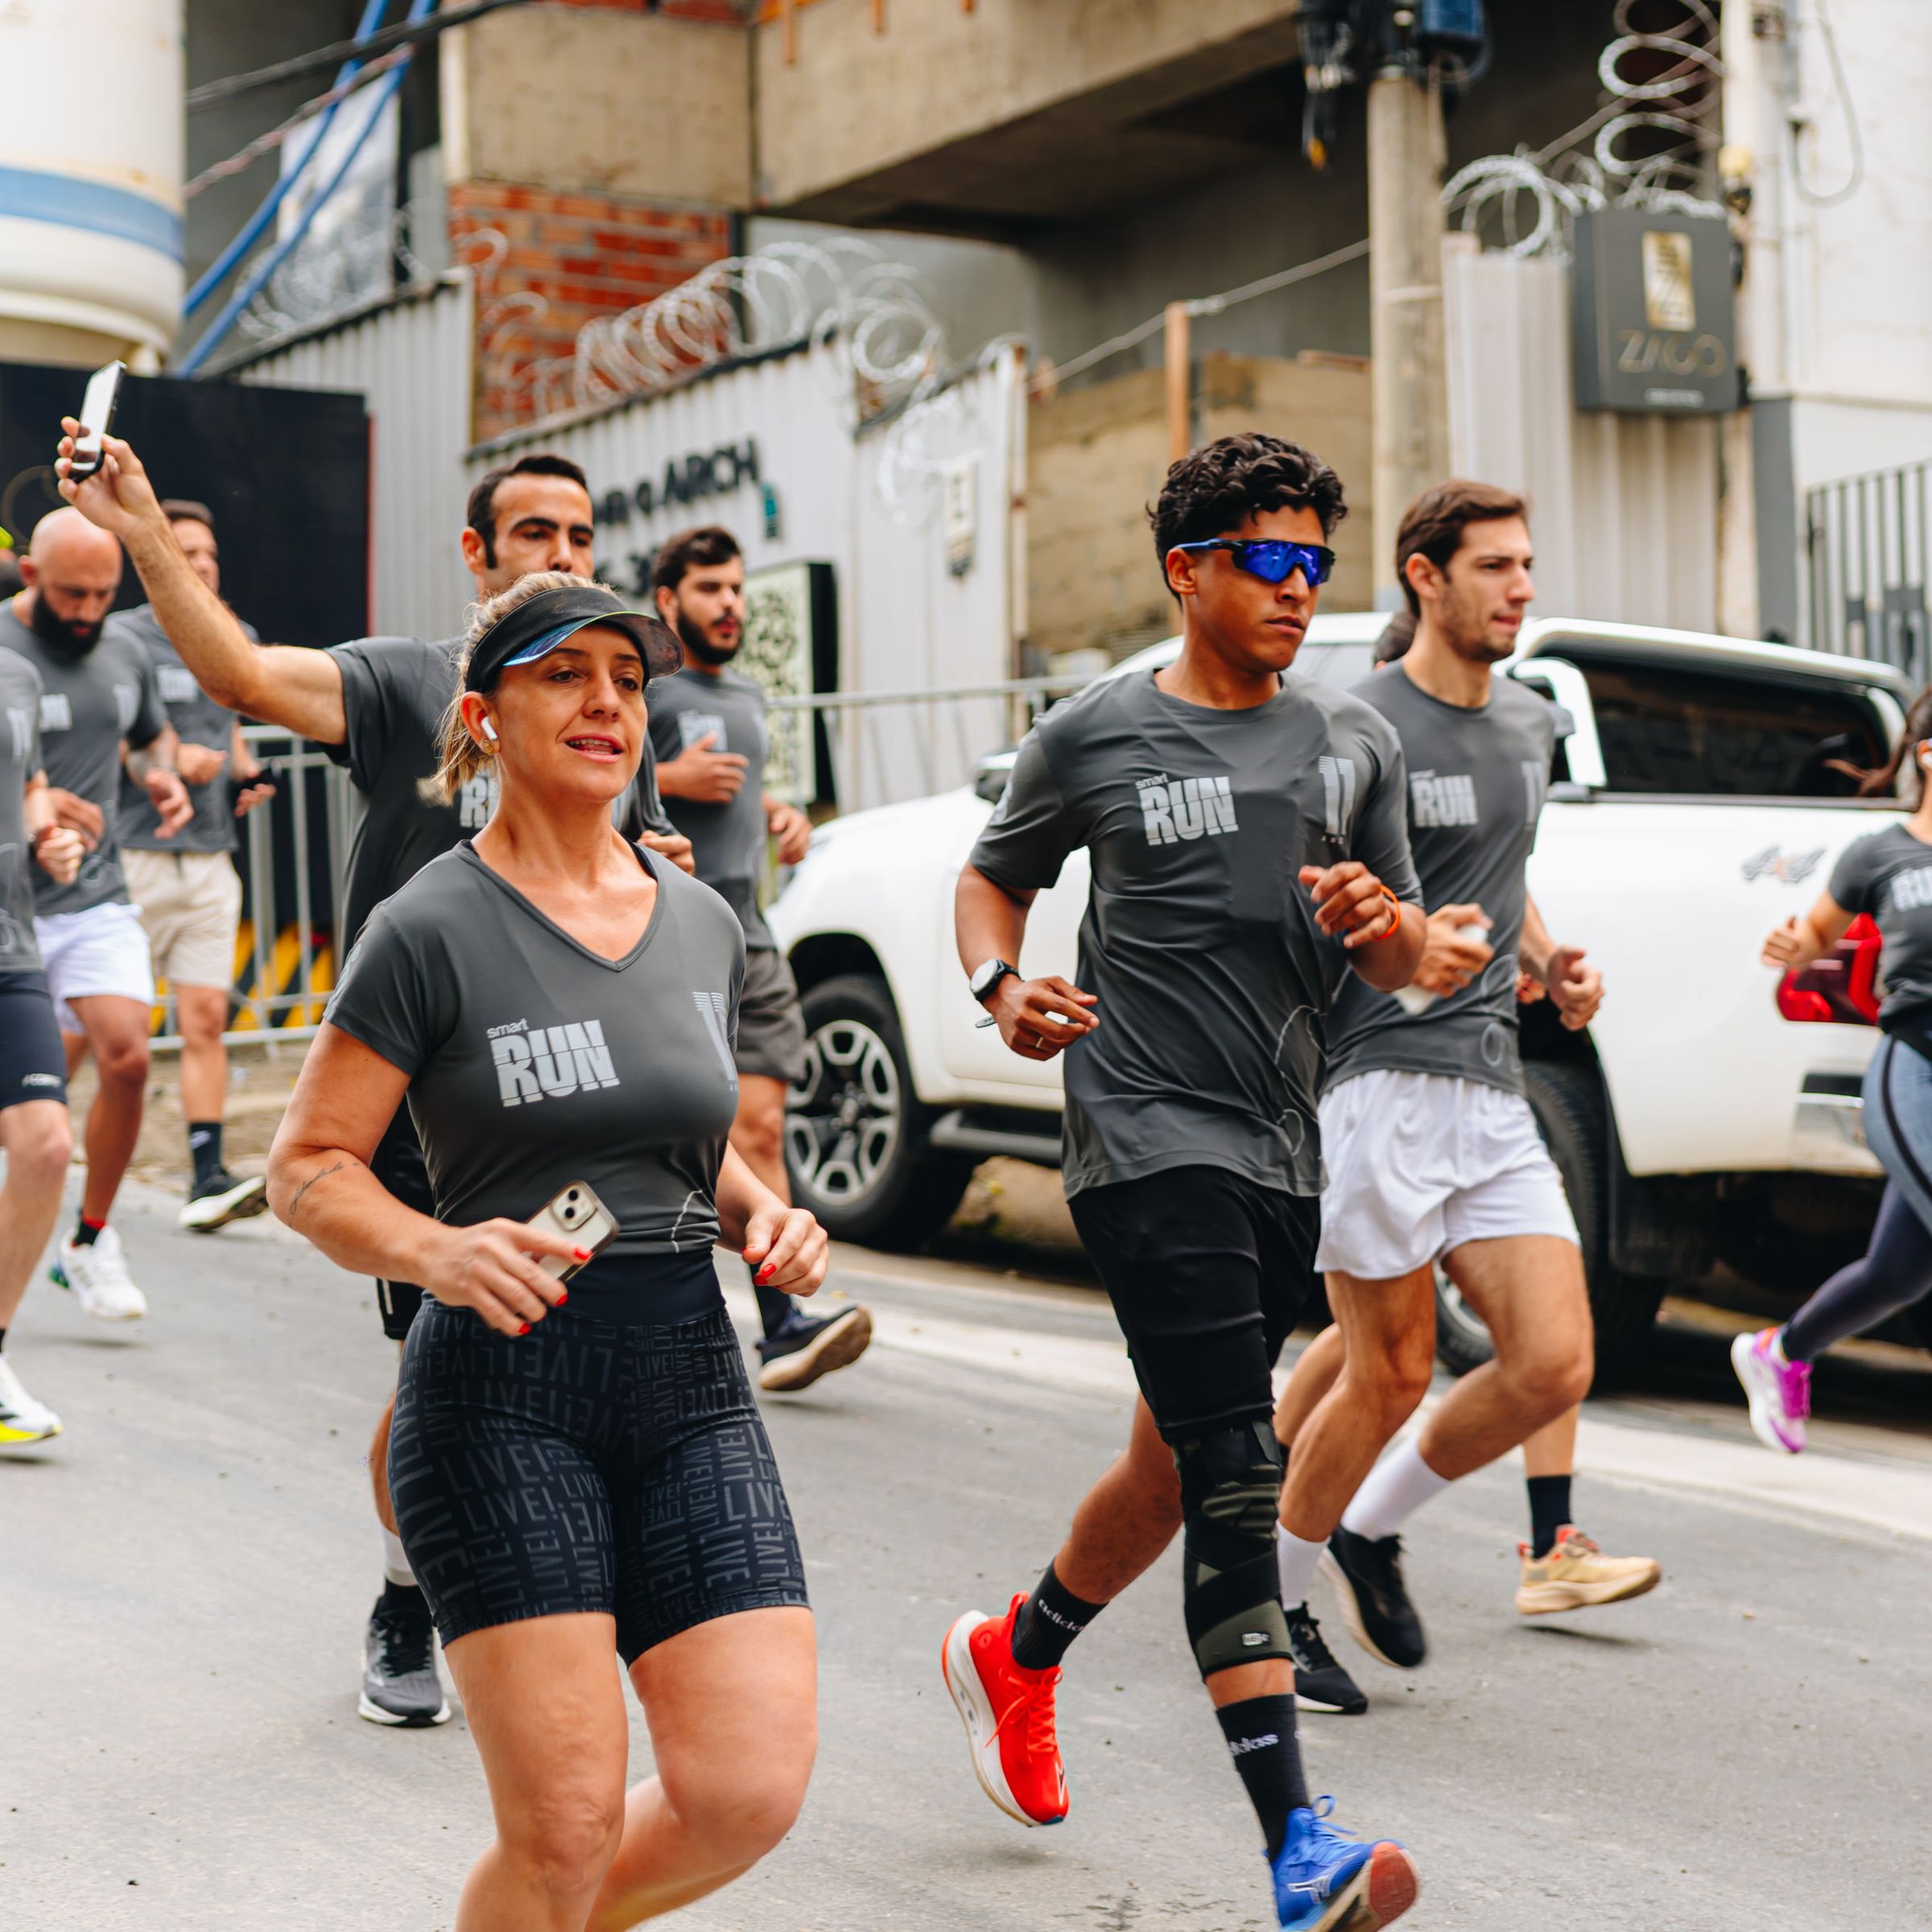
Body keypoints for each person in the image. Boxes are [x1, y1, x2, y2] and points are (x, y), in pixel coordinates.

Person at [60, 426, 691, 1730]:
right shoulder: (408, 683)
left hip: (574, 1108)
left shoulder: (601, 712)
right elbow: (238, 675)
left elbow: (627, 889)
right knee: (446, 1378)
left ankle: (569, 1597)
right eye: (534, 533)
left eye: (580, 536)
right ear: (476, 553)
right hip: (424, 1120)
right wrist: (139, 529)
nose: (562, 554)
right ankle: (410, 1593)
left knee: (591, 1361)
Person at [267, 575, 823, 1932]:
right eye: (565, 674)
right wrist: (438, 1253)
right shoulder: (429, 927)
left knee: (744, 1790)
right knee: (565, 1828)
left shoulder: (699, 919)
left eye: (627, 680)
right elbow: (307, 1167)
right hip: (501, 1399)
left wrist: (763, 1210)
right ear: (484, 718)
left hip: (688, 1382)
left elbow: (674, 1129)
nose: (606, 703)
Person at [943, 434, 1424, 1932]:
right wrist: (1000, 987)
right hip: (1143, 1142)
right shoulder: (1094, 734)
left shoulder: (1354, 744)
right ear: (1187, 571)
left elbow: (1404, 960)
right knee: (1235, 1472)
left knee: (1169, 1467)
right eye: (1269, 560)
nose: (1298, 589)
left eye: (1315, 564)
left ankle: (1017, 1654)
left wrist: (1384, 927)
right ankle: (1298, 1849)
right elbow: (993, 878)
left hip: (1283, 1151)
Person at [1269, 481, 1657, 1698]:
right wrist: (1394, 937)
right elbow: (1299, 890)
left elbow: (1504, 868)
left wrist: (1551, 963)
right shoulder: (1352, 722)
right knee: (1386, 1370)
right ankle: (1270, 1606)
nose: (1521, 588)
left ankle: (1368, 1528)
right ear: (1425, 577)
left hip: (1493, 1088)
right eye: (1495, 566)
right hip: (1376, 1078)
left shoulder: (1532, 724)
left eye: (1526, 564)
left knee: (1553, 1363)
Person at [650, 525, 873, 1392]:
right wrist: (670, 782)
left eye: (736, 588)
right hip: (672, 937)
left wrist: (780, 812)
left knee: (764, 1128)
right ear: (668, 600)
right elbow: (598, 781)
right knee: (693, 1135)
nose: (730, 604)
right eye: (710, 589)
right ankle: (721, 1319)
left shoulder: (747, 693)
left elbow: (740, 790)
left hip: (752, 933)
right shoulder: (646, 690)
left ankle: (781, 1324)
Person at [2, 508, 190, 1323]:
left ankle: (88, 1238)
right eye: (71, 594)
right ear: (31, 576)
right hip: (11, 907)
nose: (87, 611)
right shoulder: (2, 654)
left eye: (103, 594)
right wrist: (35, 815)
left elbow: (151, 737)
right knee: (31, 1116)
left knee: (129, 1057)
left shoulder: (124, 649)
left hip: (94, 896)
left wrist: (161, 776)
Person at [1739, 690, 1932, 1451]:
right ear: (1929, 756)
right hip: (1912, 1066)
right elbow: (1816, 935)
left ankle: (1781, 1351)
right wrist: (1792, 946)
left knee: (1899, 1272)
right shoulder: (1881, 853)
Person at [114, 500, 276, 1232]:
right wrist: (171, 758)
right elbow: (108, 730)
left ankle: (206, 1173)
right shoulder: (122, 638)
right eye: (187, 552)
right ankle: (34, 1137)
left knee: (206, 1017)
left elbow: (230, 729)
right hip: (135, 855)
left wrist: (248, 773)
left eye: (210, 553)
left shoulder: (235, 636)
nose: (203, 565)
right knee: (112, 1032)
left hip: (211, 858)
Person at [0, 634, 88, 1443]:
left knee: (47, 1146)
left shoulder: (17, 676)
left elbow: (27, 779)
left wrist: (47, 835)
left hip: (9, 947)